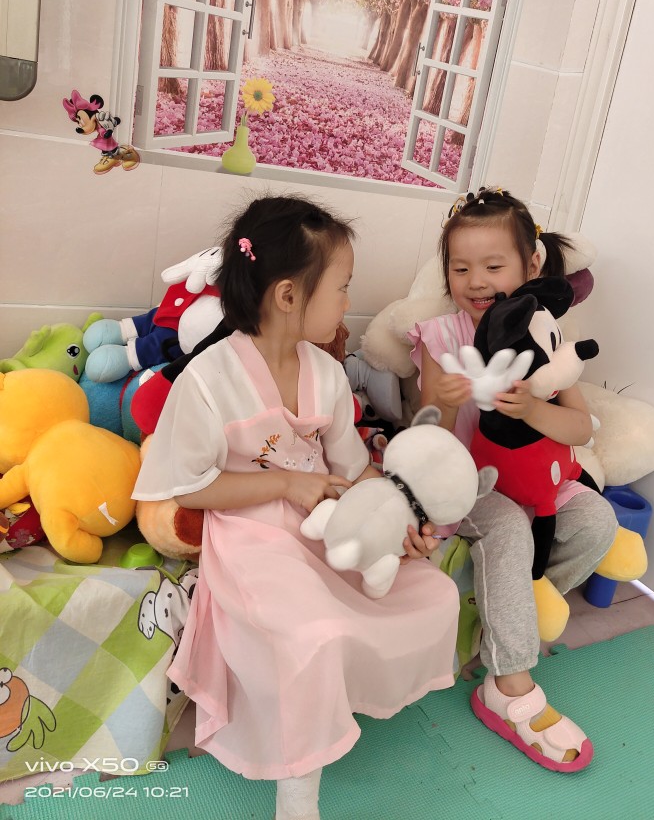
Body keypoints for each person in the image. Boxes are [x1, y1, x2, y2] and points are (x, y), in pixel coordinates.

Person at [133, 194, 459, 820]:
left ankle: (339, 706)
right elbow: (188, 488)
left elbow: (354, 470)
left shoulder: (327, 374)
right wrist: (285, 483)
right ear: (288, 295)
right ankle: (298, 799)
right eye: (342, 288)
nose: (347, 303)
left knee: (435, 594)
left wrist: (398, 523)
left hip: (326, 522)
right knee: (314, 634)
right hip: (254, 534)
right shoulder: (208, 379)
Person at [406, 186, 617, 773]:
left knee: (598, 521)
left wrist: (533, 410)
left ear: (531, 267)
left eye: (493, 266)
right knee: (505, 528)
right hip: (467, 483)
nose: (476, 281)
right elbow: (426, 438)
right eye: (460, 268)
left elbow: (579, 427)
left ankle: (513, 615)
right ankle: (508, 685)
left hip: (537, 479)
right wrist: (447, 401)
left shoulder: (544, 333)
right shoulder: (442, 338)